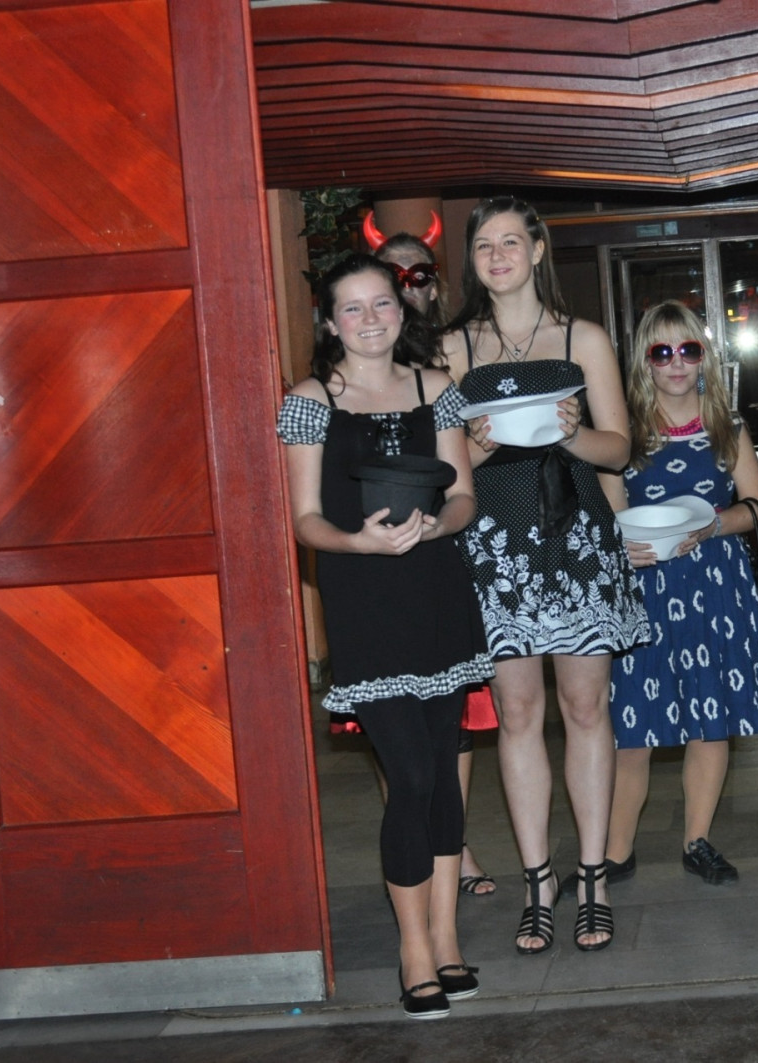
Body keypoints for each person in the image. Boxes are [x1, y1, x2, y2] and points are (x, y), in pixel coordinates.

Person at [276, 254, 491, 1018]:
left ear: (402, 311)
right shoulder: (308, 402)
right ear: (331, 321)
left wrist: (437, 523)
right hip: (365, 606)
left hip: (440, 599)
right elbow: (304, 520)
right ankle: (414, 949)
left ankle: (447, 937)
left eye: (383, 304)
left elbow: (464, 497)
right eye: (354, 307)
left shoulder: (439, 389)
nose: (371, 319)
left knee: (445, 775)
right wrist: (357, 542)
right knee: (412, 777)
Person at [444, 196, 649, 954]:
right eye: (484, 245)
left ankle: (592, 878)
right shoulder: (453, 348)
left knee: (587, 707)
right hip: (495, 547)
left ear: (536, 251)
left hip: (578, 537)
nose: (497, 256)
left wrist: (573, 434)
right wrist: (476, 446)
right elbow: (444, 467)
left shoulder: (581, 336)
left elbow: (619, 447)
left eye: (510, 242)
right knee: (518, 713)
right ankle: (538, 883)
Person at [602, 300, 758, 886]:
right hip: (643, 590)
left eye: (688, 349)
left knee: (710, 720)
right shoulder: (622, 435)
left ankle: (697, 841)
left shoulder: (727, 427)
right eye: (661, 351)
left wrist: (713, 525)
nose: (676, 362)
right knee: (630, 729)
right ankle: (614, 855)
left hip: (716, 584)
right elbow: (606, 518)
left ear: (704, 357)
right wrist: (619, 548)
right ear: (644, 362)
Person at [366, 217, 500, 899]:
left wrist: (489, 440)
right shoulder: (343, 373)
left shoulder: (453, 359)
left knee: (455, 718)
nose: (406, 287)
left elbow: (462, 472)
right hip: (375, 563)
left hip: (454, 547)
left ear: (435, 285)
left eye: (419, 275)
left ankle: (455, 845)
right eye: (392, 277)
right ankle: (421, 841)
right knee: (392, 723)